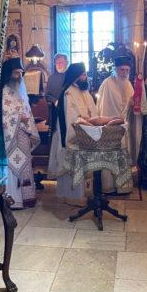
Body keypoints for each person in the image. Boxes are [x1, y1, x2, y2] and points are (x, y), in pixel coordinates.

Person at [96, 56, 147, 194]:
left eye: (127, 70)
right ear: (116, 69)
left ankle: (123, 186)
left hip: (124, 129)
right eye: (122, 70)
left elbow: (132, 105)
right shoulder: (108, 84)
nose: (125, 73)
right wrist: (128, 104)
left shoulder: (127, 83)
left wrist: (134, 103)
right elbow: (109, 108)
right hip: (110, 129)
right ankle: (108, 186)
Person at [47, 62, 96, 205]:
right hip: (72, 136)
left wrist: (93, 120)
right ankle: (71, 197)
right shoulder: (68, 93)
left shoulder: (85, 91)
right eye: (82, 74)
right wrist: (84, 119)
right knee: (71, 166)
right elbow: (70, 118)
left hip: (86, 133)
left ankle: (84, 195)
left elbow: (93, 109)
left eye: (85, 73)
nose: (85, 77)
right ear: (75, 76)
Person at [0, 57, 40, 209]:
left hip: (23, 134)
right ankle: (14, 200)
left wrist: (27, 123)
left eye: (21, 73)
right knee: (14, 165)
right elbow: (3, 116)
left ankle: (27, 198)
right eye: (16, 73)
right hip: (11, 137)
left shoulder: (21, 90)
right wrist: (19, 117)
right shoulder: (3, 91)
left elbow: (26, 109)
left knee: (25, 166)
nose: (19, 76)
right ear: (9, 74)